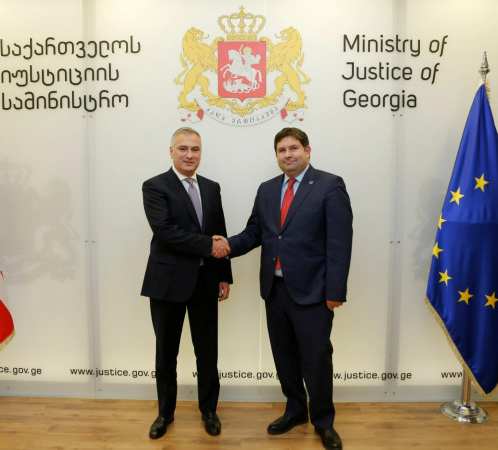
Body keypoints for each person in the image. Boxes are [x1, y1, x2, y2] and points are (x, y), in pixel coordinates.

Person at [217, 127, 352, 449]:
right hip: (275, 290)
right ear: (276, 155)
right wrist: (226, 246)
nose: (288, 155)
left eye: (293, 148)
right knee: (284, 356)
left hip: (314, 292)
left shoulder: (329, 185)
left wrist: (335, 292)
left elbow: (339, 243)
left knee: (316, 358)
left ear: (307, 150)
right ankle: (295, 410)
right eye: (281, 150)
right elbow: (255, 233)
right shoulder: (267, 190)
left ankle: (324, 421)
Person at [141, 127, 232, 440]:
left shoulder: (211, 187)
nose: (189, 155)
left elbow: (219, 229)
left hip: (206, 282)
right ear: (171, 152)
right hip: (167, 284)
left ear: (201, 153)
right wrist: (208, 245)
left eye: (195, 149)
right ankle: (165, 414)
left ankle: (209, 411)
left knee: (207, 352)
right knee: (166, 354)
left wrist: (223, 275)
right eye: (183, 149)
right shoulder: (155, 186)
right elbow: (165, 231)